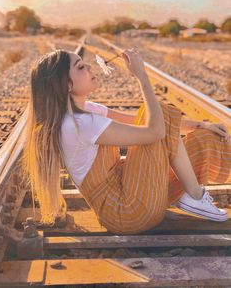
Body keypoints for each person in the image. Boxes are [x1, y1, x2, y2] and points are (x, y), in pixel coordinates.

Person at [22, 48, 231, 234]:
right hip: (127, 213)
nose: (90, 67)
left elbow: (139, 122)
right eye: (81, 67)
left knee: (198, 136)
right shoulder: (80, 124)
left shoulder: (88, 111)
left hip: (129, 194)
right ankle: (195, 195)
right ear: (66, 85)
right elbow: (155, 131)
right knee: (160, 114)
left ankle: (186, 195)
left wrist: (201, 125)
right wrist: (142, 77)